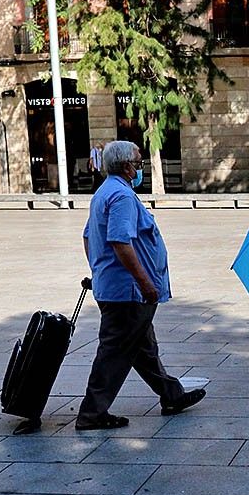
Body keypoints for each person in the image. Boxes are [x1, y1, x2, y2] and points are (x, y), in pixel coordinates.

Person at [77, 140, 205, 430]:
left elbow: (87, 237)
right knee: (114, 352)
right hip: (129, 293)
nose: (140, 167)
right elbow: (120, 241)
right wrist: (145, 283)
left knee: (142, 348)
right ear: (126, 167)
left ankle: (171, 396)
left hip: (117, 288)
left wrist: (98, 270)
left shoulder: (104, 192)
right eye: (138, 162)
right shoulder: (121, 196)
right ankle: (92, 414)